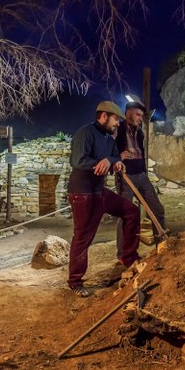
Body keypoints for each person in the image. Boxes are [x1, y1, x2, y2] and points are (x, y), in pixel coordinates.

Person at [66, 101, 141, 297]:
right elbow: (78, 160)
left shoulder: (108, 138)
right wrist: (104, 162)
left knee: (131, 211)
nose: (118, 123)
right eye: (116, 119)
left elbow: (116, 156)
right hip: (83, 193)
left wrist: (112, 161)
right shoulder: (86, 133)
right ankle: (75, 281)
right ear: (104, 115)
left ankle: (129, 258)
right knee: (83, 237)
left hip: (100, 192)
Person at [114, 94, 166, 254]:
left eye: (141, 116)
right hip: (126, 177)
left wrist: (143, 170)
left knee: (157, 209)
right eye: (137, 114)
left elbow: (140, 151)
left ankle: (162, 245)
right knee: (126, 214)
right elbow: (106, 150)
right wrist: (117, 157)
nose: (140, 118)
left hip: (141, 176)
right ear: (128, 113)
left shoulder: (139, 132)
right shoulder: (118, 129)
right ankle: (123, 252)